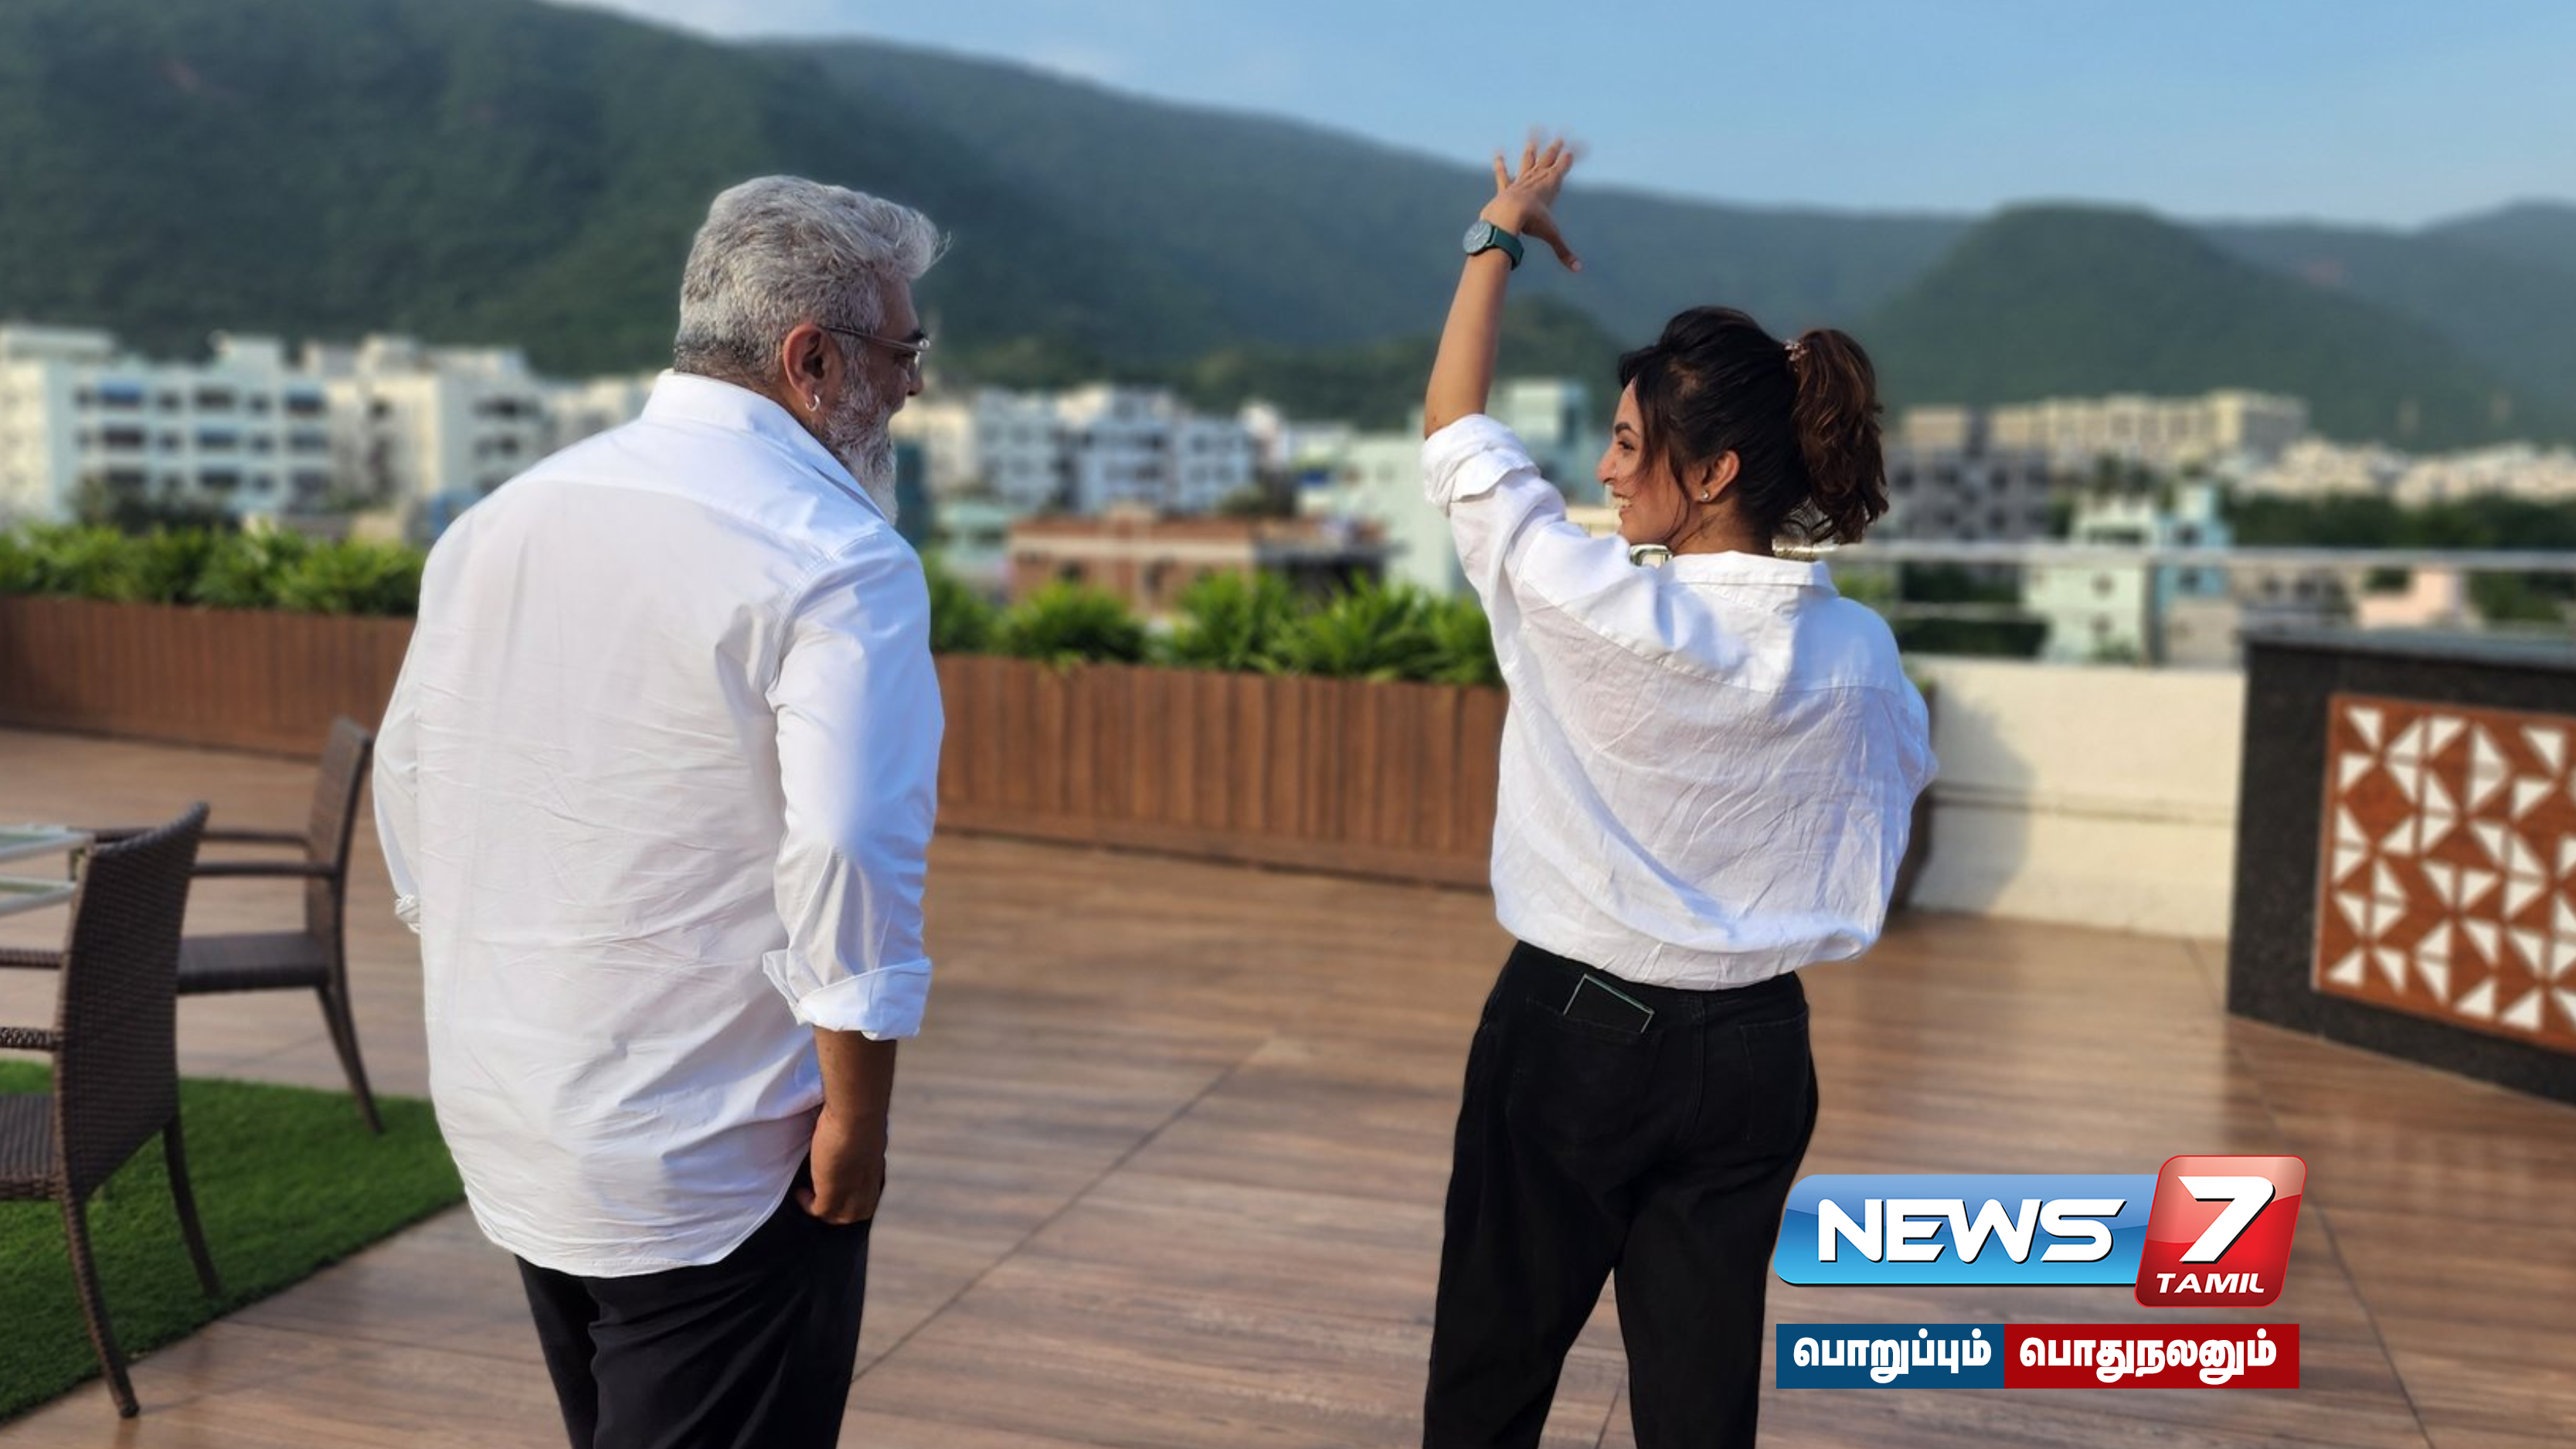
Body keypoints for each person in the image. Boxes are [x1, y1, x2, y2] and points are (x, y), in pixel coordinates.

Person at [372, 175, 946, 1449]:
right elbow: (847, 845)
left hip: (512, 1106)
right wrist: (858, 1119)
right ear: (812, 360)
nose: (912, 387)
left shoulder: (497, 524)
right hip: (722, 1156)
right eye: (903, 353)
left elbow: (409, 779)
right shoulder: (839, 558)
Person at [1418, 139, 1936, 1449]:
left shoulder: (1586, 598)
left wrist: (1497, 233)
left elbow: (1455, 433)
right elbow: (1889, 797)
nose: (1603, 471)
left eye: (1625, 444)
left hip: (1572, 1034)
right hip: (1758, 1052)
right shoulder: (1861, 655)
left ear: (1711, 475)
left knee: (1491, 1370)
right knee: (1700, 1405)